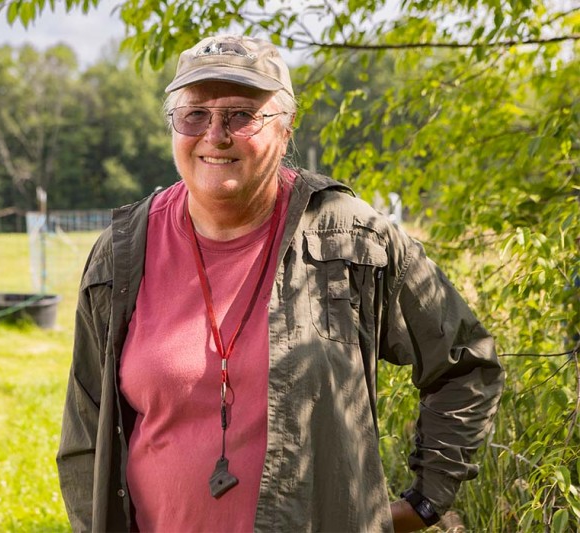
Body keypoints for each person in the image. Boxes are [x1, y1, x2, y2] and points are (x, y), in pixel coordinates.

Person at [57, 34, 505, 532]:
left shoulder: (350, 236)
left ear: (286, 128)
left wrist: (426, 499)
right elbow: (85, 430)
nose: (215, 134)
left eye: (240, 115)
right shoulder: (122, 253)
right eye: (195, 115)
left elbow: (467, 363)